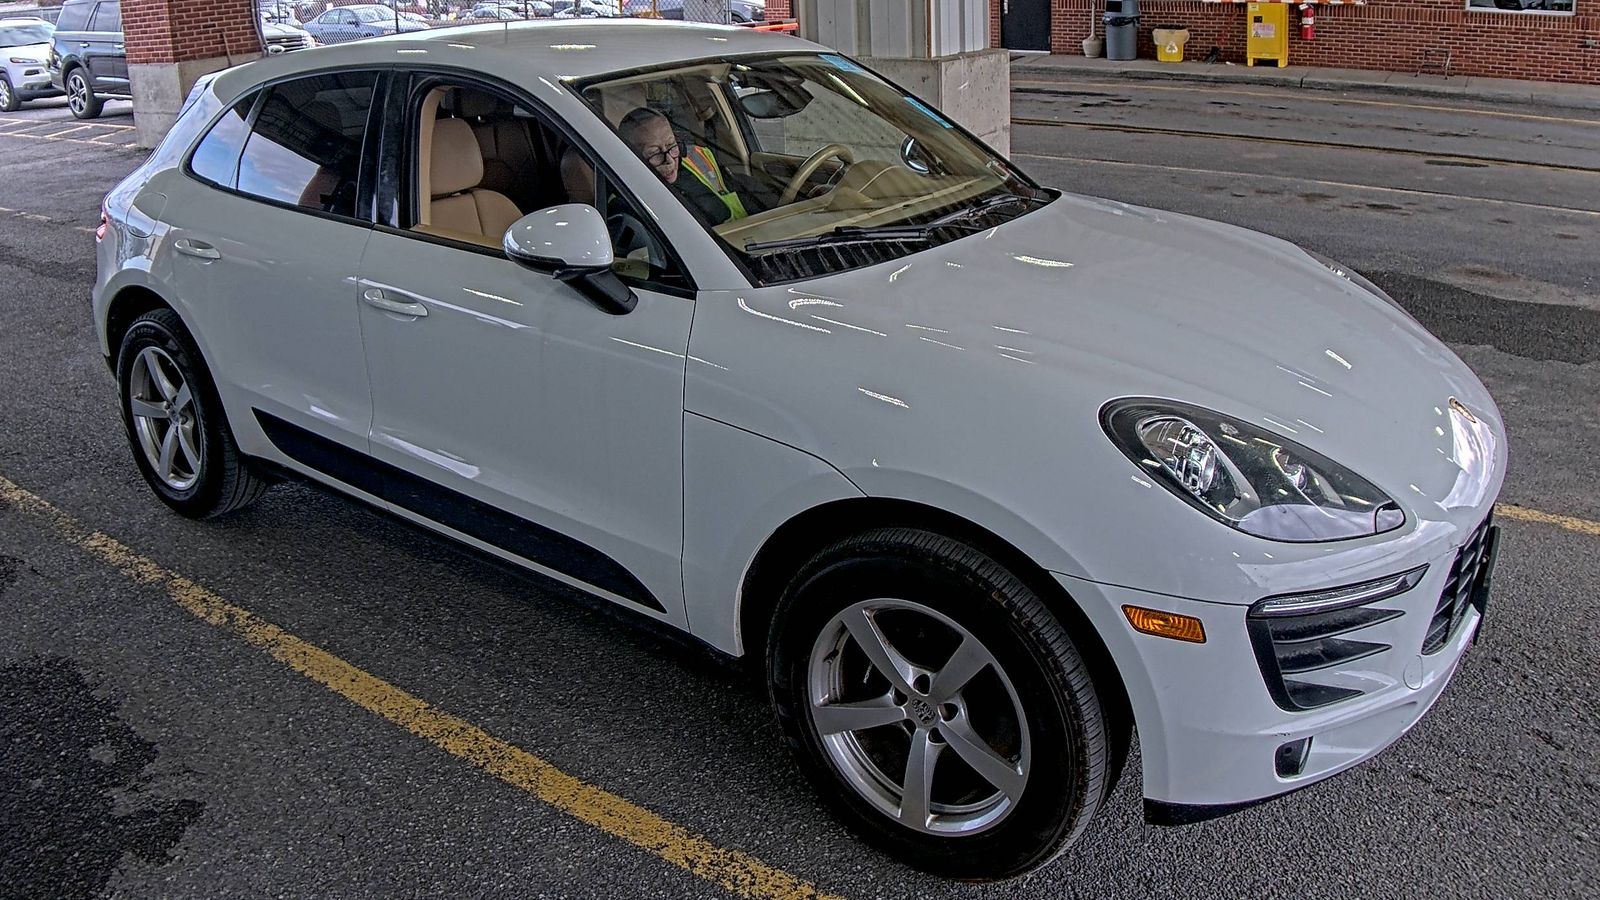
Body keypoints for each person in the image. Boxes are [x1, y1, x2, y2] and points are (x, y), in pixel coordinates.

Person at [617, 106, 751, 225]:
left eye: (671, 145)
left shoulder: (699, 156)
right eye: (654, 153)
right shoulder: (624, 203)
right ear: (632, 157)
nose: (669, 160)